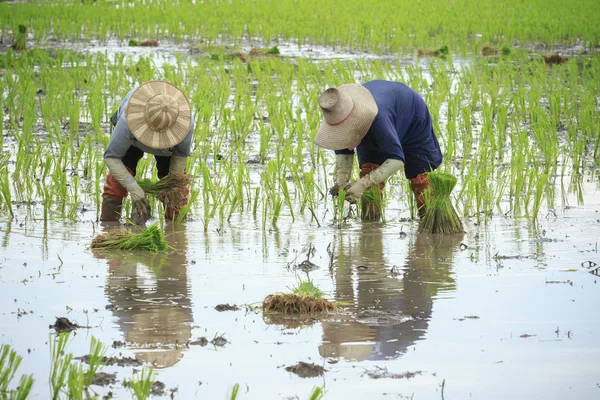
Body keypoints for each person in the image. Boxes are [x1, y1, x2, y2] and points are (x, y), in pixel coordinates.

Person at [314, 80, 442, 219]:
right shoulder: (339, 116)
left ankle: (429, 220)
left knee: (419, 177)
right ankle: (371, 224)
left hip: (411, 117)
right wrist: (341, 182)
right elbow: (344, 152)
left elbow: (397, 160)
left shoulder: (379, 120)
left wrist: (362, 184)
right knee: (369, 170)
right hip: (379, 115)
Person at [101, 81, 194, 224]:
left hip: (168, 147)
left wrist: (170, 187)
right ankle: (108, 227)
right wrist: (133, 188)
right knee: (116, 184)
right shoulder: (127, 119)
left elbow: (180, 157)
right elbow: (111, 157)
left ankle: (176, 233)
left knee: (176, 194)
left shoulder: (184, 124)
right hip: (134, 140)